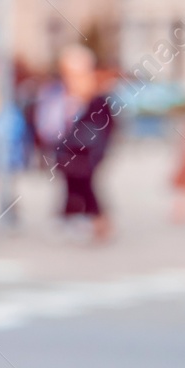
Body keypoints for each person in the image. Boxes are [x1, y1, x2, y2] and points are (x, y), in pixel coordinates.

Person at [53, 44, 114, 242]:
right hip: (69, 150)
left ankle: (98, 222)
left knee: (86, 185)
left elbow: (105, 125)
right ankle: (74, 217)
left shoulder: (97, 97)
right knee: (72, 185)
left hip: (87, 151)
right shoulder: (61, 94)